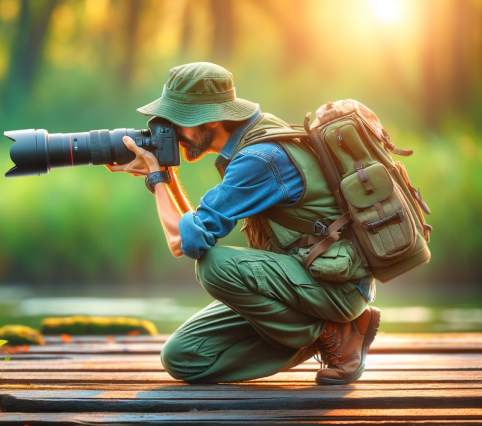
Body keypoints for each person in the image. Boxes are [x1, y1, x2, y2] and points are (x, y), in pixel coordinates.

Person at [106, 62, 380, 385]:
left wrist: (156, 179)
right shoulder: (252, 141)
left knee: (212, 266)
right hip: (304, 283)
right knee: (181, 357)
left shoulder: (260, 158)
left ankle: (335, 330)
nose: (172, 132)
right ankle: (316, 333)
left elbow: (185, 244)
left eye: (177, 121)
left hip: (336, 288)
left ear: (209, 118)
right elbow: (195, 228)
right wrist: (167, 177)